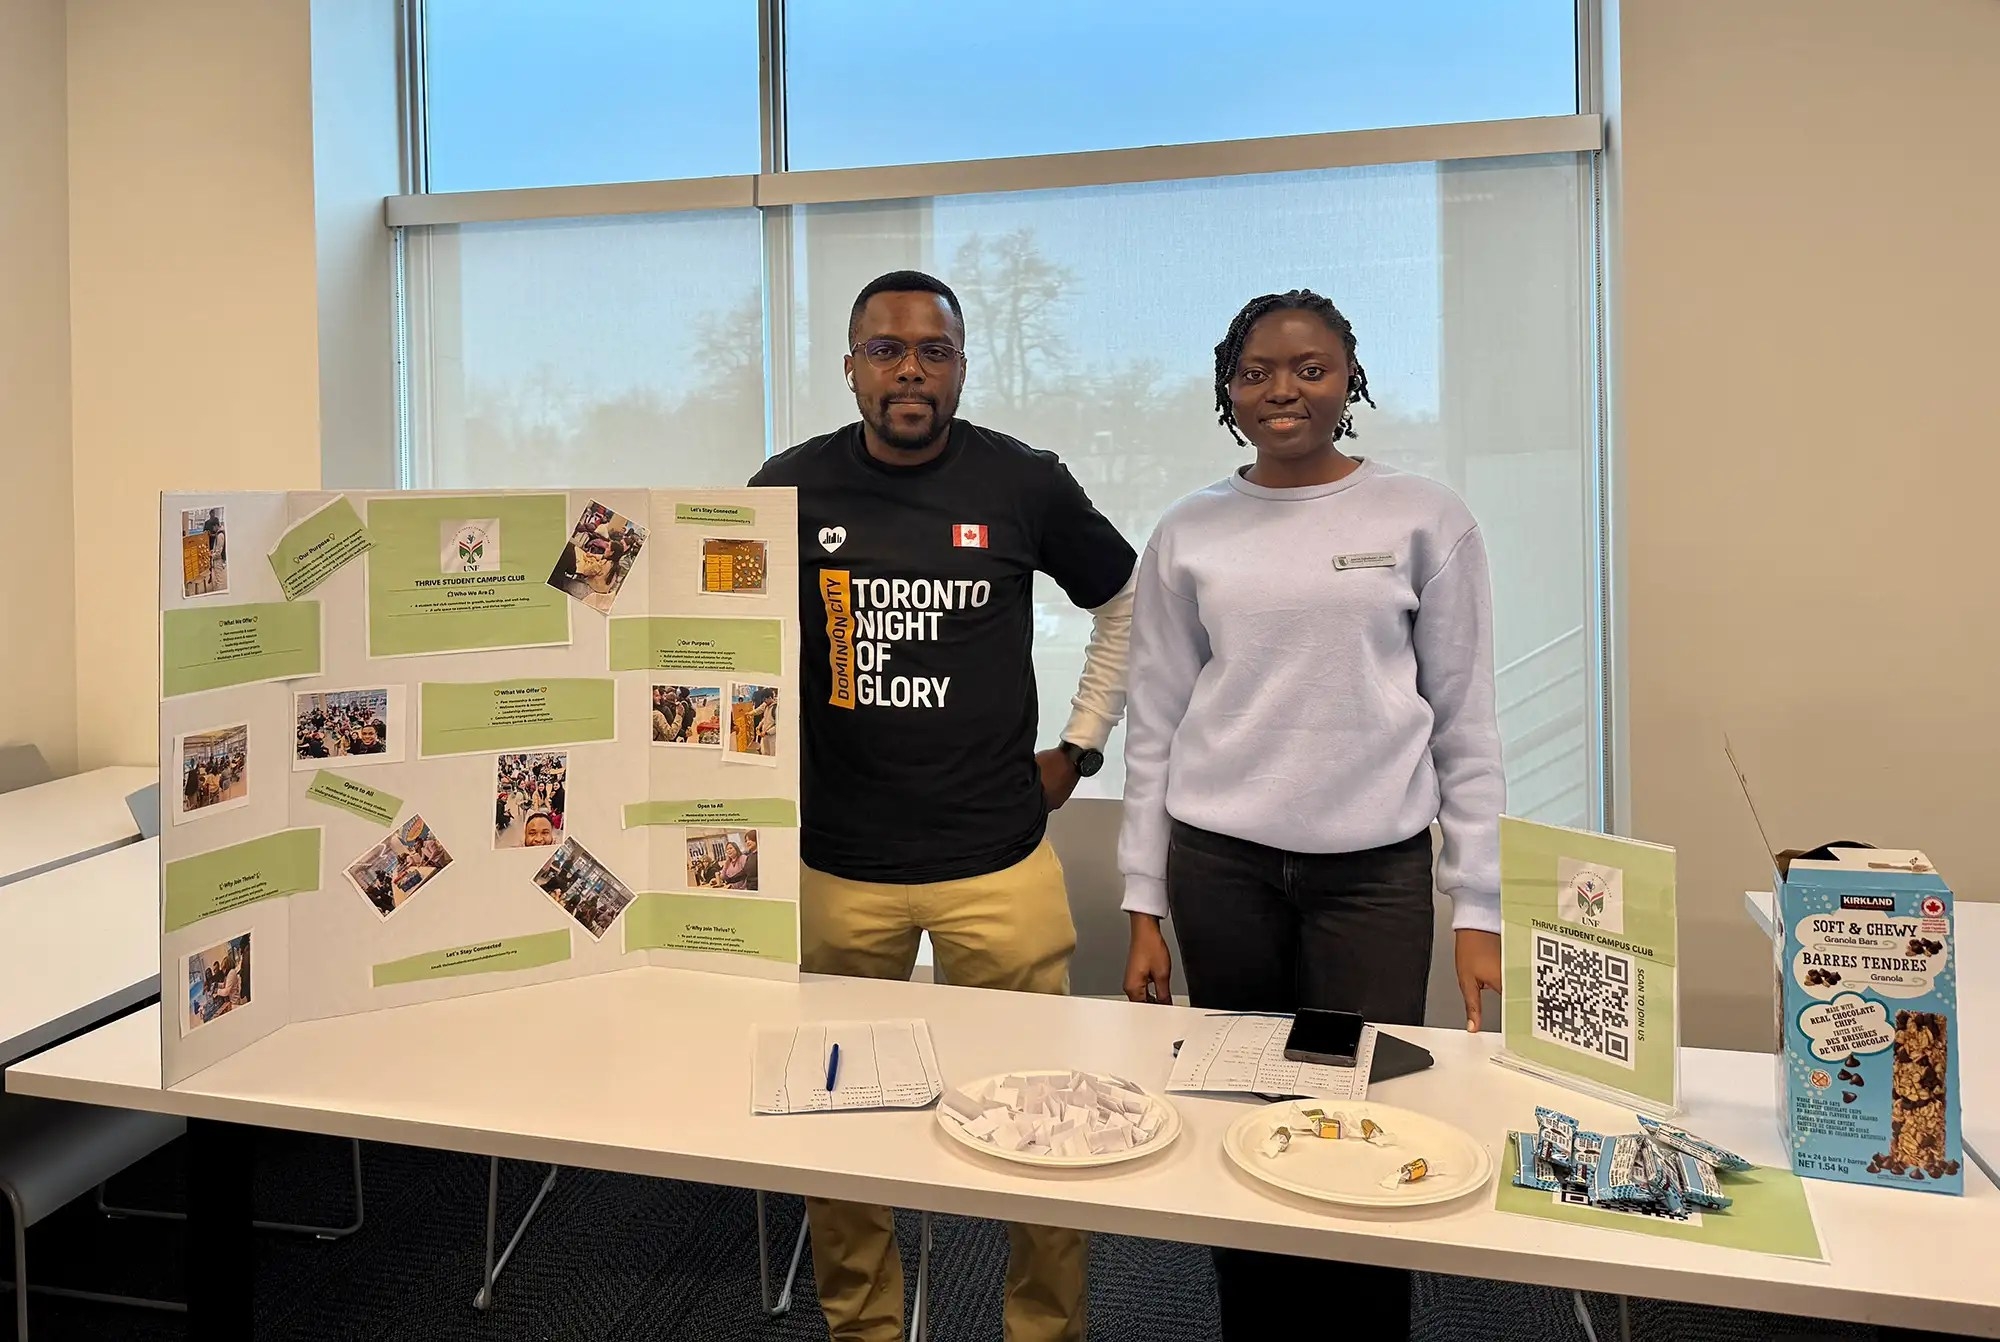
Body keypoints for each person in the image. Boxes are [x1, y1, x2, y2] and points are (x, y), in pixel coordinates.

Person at [748, 270, 1136, 1342]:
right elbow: (708, 622)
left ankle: (1042, 1331)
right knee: (836, 1123)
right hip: (837, 866)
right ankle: (860, 1325)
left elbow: (1123, 601)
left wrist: (1080, 747)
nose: (910, 369)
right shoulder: (785, 488)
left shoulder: (1024, 483)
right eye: (885, 349)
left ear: (961, 365)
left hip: (995, 859)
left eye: (933, 351)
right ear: (849, 364)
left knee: (1044, 1120)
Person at [1117, 290, 1505, 1341]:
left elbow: (1464, 720)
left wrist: (1480, 905)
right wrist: (1142, 898)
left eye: (1308, 367)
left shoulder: (1423, 517)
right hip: (1219, 870)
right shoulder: (1190, 530)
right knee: (1240, 1123)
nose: (1279, 389)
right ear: (1225, 388)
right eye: (1254, 372)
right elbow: (1152, 721)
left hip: (1369, 881)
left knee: (1362, 1129)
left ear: (1350, 379)